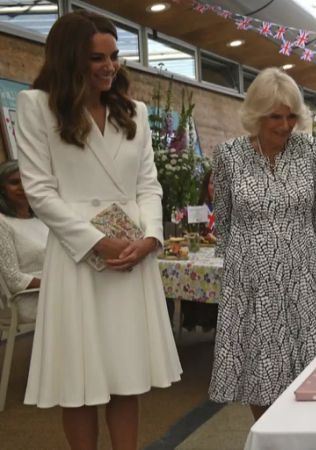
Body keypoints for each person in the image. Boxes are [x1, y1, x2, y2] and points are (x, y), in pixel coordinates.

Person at [15, 10, 182, 449]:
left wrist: (149, 239)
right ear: (69, 58)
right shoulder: (38, 106)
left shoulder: (136, 112)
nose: (110, 66)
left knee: (128, 376)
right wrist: (98, 243)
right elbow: (39, 190)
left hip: (132, 256)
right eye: (96, 57)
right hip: (78, 258)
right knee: (80, 379)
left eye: (114, 56)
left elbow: (149, 184)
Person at [209, 68, 316, 420]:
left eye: (291, 115)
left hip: (302, 274)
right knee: (259, 367)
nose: (284, 125)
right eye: (274, 117)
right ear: (256, 115)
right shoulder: (228, 156)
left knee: (308, 365)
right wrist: (241, 264)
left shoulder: (310, 150)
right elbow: (224, 220)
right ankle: (268, 434)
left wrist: (309, 256)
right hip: (250, 277)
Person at [0, 161, 46, 322]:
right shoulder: (2, 222)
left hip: (56, 289)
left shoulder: (41, 218)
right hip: (31, 298)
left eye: (26, 179)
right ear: (2, 189)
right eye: (14, 182)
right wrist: (54, 283)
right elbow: (13, 279)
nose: (22, 186)